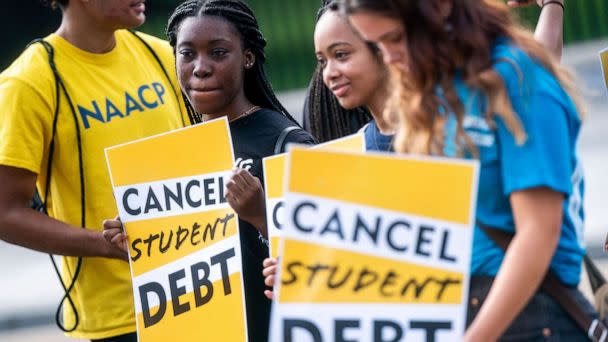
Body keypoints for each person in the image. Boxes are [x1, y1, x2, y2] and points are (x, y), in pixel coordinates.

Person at [263, 0, 568, 300]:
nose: (329, 73)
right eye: (322, 61)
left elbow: (528, 83)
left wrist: (553, 7)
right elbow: (373, 271)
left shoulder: (450, 120)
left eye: (341, 55)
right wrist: (305, 276)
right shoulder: (352, 153)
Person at [342, 0, 597, 340]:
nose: (388, 57)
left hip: (532, 317)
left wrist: (474, 337)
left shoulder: (518, 77)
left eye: (396, 38)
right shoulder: (431, 90)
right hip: (460, 309)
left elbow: (538, 233)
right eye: (376, 44)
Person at [103, 1, 316, 341]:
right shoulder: (175, 153)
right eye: (187, 54)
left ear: (247, 57)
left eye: (218, 52)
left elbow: (328, 260)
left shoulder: (285, 142)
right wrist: (139, 237)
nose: (200, 68)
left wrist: (261, 215)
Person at [0, 0, 190, 341]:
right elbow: (5, 212)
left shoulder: (164, 55)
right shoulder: (28, 83)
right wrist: (103, 244)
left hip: (205, 294)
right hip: (120, 320)